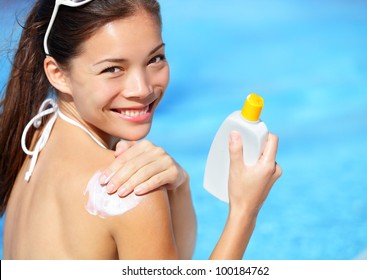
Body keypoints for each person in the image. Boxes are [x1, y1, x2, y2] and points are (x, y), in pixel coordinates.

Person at [0, 0, 282, 259]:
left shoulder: (32, 135)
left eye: (155, 59)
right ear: (58, 74)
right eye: (112, 69)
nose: (142, 89)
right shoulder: (128, 192)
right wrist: (244, 211)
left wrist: (180, 184)